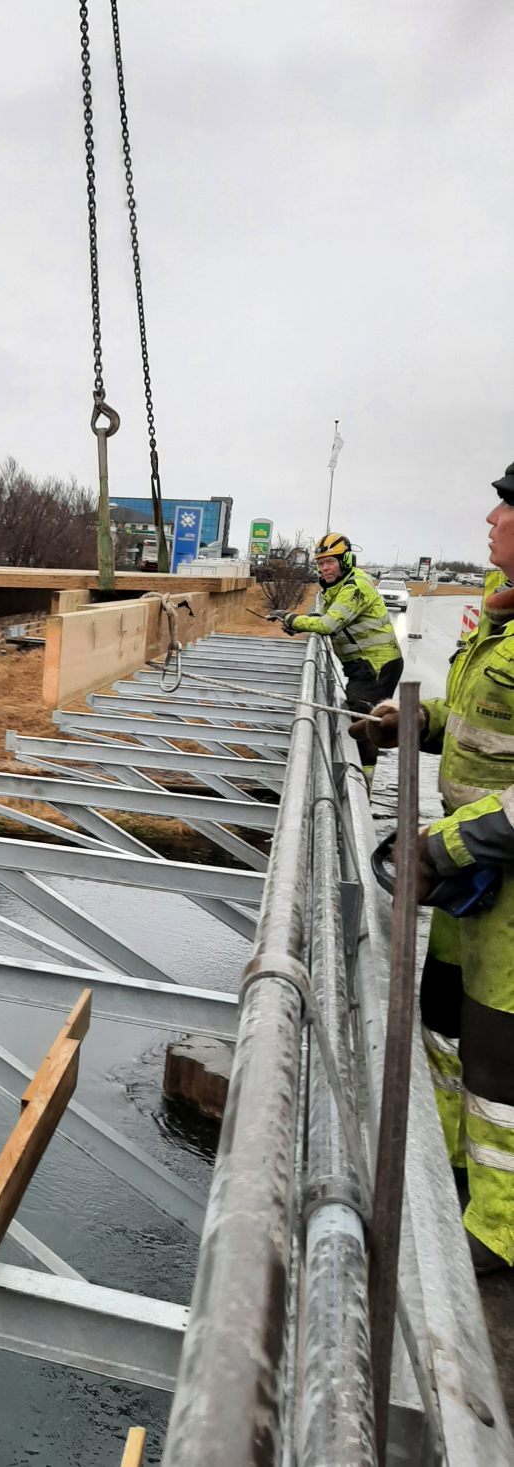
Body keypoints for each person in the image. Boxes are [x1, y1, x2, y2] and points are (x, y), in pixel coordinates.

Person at [357, 461, 514, 1274]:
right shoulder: (500, 620)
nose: (491, 519)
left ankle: (499, 1230)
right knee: (450, 1027)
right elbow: (481, 730)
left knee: (502, 1066)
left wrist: (442, 846)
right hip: (472, 888)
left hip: (499, 890)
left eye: (506, 508)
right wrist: (408, 723)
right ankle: (452, 1173)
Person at [270, 531, 403, 785]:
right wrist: (297, 624)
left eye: (330, 562)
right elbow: (322, 618)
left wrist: (292, 619)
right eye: (320, 564)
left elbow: (329, 624)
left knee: (363, 726)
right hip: (362, 665)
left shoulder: (355, 587)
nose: (324, 568)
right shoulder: (334, 588)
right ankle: (357, 781)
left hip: (376, 665)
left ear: (346, 560)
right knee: (359, 721)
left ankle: (360, 788)